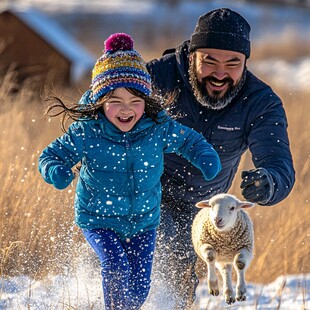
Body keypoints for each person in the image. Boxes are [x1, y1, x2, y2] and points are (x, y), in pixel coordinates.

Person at [38, 33, 221, 310]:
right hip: (98, 220)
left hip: (144, 222)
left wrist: (205, 156)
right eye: (115, 100)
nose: (126, 109)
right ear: (100, 101)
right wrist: (57, 170)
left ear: (146, 102)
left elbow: (187, 140)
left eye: (135, 101)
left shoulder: (156, 127)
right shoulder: (87, 130)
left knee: (138, 290)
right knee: (115, 265)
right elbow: (50, 156)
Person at [146, 8, 295, 309]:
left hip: (202, 208)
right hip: (145, 192)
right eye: (209, 60)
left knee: (178, 277)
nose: (219, 73)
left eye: (232, 63)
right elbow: (105, 117)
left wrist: (269, 183)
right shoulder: (155, 79)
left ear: (245, 63)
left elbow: (279, 165)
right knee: (156, 245)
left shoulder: (259, 102)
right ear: (191, 56)